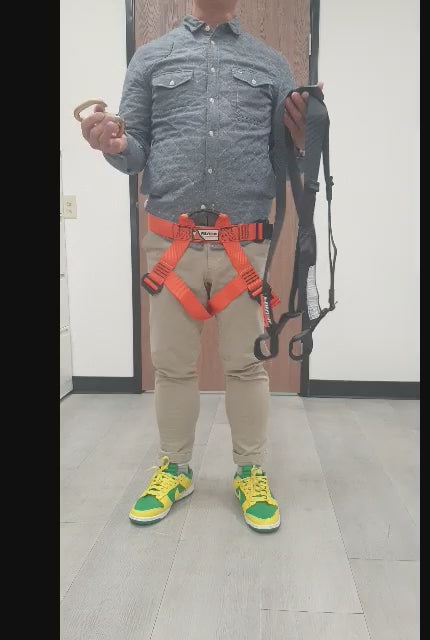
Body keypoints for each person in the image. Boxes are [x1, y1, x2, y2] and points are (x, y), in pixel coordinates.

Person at [79, 0, 323, 532]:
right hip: (171, 245)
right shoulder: (150, 59)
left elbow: (284, 159)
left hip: (244, 247)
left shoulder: (271, 65)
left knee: (246, 365)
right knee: (171, 367)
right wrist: (113, 144)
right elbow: (133, 150)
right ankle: (176, 468)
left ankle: (250, 471)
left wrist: (305, 144)